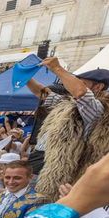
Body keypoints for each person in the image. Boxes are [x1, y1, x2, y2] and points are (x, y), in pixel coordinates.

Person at [26, 57, 109, 200]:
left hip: (54, 173)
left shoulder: (97, 108)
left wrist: (57, 68)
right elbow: (42, 93)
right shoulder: (67, 103)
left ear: (98, 87)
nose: (70, 84)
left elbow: (82, 93)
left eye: (81, 82)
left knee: (39, 212)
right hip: (36, 164)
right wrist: (25, 77)